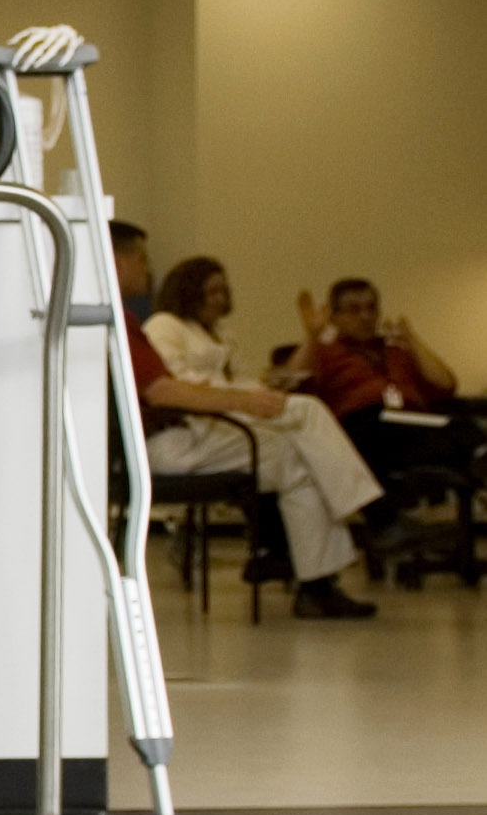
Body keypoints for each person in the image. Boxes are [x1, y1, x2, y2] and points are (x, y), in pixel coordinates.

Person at [141, 256, 382, 618]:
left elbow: (243, 383)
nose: (221, 298)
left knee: (300, 460)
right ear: (189, 290)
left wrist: (265, 387)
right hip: (179, 437)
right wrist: (242, 396)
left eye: (224, 290)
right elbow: (173, 385)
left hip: (220, 429)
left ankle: (316, 584)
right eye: (213, 290)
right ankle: (377, 514)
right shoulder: (166, 325)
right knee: (309, 412)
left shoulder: (223, 336)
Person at [292, 276, 469, 482]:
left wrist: (412, 340)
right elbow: (292, 384)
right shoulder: (325, 351)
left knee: (463, 428)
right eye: (354, 310)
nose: (366, 317)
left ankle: (476, 461)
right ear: (335, 317)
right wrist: (312, 336)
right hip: (364, 424)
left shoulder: (397, 349)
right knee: (375, 433)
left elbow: (446, 385)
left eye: (372, 308)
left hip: (409, 421)